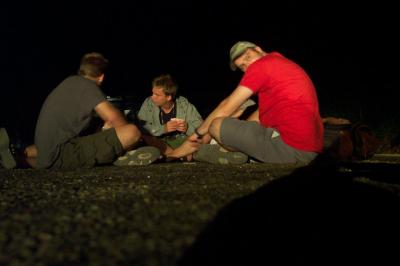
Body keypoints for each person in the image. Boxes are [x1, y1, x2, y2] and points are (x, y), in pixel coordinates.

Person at [0, 52, 155, 170]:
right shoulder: (89, 87)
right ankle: (124, 152)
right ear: (101, 77)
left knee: (47, 155)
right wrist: (130, 140)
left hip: (47, 148)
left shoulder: (69, 83)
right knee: (131, 131)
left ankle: (18, 156)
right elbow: (115, 119)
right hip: (59, 154)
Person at [178, 41, 324, 164]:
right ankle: (228, 151)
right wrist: (237, 134)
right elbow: (259, 115)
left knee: (217, 125)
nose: (247, 65)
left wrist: (195, 135)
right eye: (242, 66)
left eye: (247, 56)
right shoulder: (281, 64)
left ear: (258, 49)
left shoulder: (262, 65)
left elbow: (225, 106)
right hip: (310, 148)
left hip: (293, 149)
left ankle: (201, 152)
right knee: (238, 125)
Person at [136, 74, 203, 156]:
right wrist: (163, 129)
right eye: (153, 93)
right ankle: (175, 155)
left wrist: (187, 128)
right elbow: (141, 126)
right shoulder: (148, 103)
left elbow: (201, 126)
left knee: (197, 140)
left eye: (157, 95)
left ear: (168, 97)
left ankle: (172, 155)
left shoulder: (184, 104)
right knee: (146, 137)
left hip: (180, 140)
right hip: (159, 142)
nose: (152, 97)